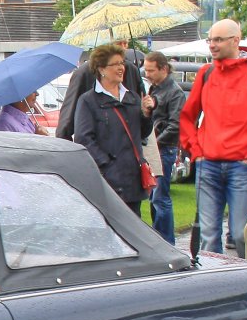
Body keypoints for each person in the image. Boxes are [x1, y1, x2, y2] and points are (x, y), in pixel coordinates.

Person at [178, 19, 247, 256]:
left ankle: (242, 277)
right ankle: (212, 277)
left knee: (241, 235)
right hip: (209, 164)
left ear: (235, 40)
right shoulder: (206, 73)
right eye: (210, 40)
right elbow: (188, 116)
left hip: (242, 166)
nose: (212, 45)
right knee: (208, 236)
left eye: (218, 40)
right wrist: (196, 151)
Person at [73, 43, 149, 211]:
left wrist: (146, 114)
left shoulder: (133, 98)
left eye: (122, 63)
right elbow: (83, 138)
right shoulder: (88, 101)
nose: (121, 68)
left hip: (132, 179)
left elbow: (143, 133)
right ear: (101, 69)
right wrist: (106, 164)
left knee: (133, 224)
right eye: (115, 64)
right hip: (108, 180)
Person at [142, 51, 185, 243]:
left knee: (160, 197)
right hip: (156, 148)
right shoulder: (155, 88)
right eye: (146, 70)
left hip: (164, 149)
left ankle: (166, 241)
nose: (147, 74)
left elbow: (175, 125)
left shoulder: (174, 92)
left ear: (164, 69)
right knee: (154, 197)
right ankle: (159, 238)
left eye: (151, 70)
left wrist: (155, 145)